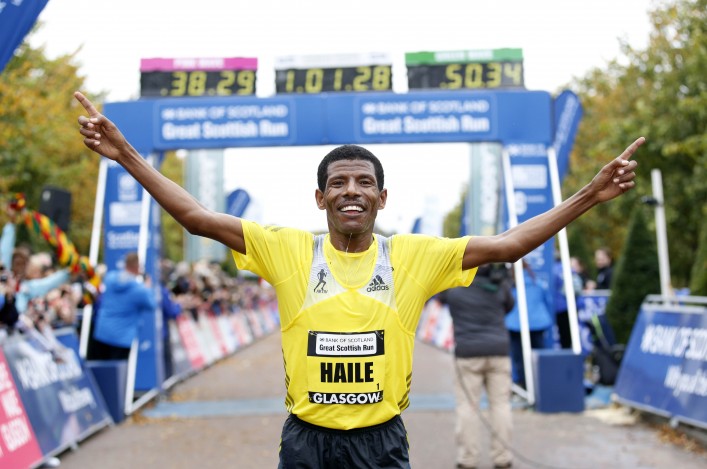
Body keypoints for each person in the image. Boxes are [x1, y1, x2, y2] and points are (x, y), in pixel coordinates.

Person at [74, 91, 643, 467]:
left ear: (381, 196)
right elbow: (197, 217)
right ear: (320, 198)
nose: (352, 190)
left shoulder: (415, 255)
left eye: (364, 182)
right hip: (306, 441)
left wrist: (590, 194)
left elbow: (511, 243)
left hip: (382, 441)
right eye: (339, 182)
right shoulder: (285, 248)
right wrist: (124, 152)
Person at [438, 264, 515, 469]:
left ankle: (468, 459)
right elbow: (510, 306)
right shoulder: (499, 284)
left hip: (467, 354)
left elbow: (438, 296)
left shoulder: (455, 287)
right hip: (499, 350)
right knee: (501, 405)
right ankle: (502, 458)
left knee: (468, 407)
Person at [91, 251, 157, 360]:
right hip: (121, 338)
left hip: (102, 332)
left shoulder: (110, 278)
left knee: (100, 372)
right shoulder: (140, 290)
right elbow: (152, 304)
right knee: (118, 374)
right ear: (137, 267)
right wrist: (148, 287)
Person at [505, 261, 554, 388]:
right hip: (538, 323)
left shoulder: (510, 285)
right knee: (540, 357)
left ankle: (524, 385)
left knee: (519, 359)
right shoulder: (537, 282)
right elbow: (548, 301)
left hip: (515, 325)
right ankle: (544, 383)